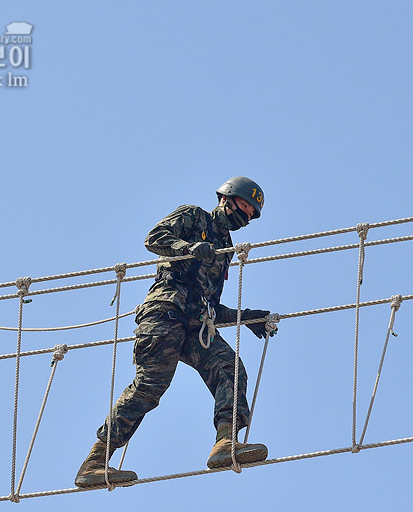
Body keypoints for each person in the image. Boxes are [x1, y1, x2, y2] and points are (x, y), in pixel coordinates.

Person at [75, 176, 273, 488]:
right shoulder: (195, 216)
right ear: (227, 199)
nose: (245, 215)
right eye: (244, 205)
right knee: (149, 387)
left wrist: (246, 318)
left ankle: (224, 444)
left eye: (250, 213)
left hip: (195, 323)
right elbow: (155, 237)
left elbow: (212, 305)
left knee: (229, 369)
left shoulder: (226, 250)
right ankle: (96, 460)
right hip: (165, 313)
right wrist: (189, 248)